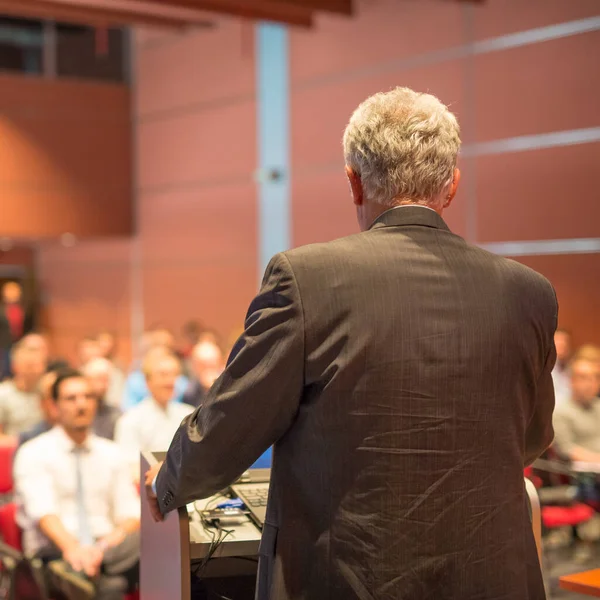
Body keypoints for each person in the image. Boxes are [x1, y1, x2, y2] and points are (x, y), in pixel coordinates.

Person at [145, 87, 557, 600]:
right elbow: (533, 435)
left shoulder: (306, 279)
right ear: (451, 187)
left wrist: (168, 482)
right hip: (494, 577)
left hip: (351, 578)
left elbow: (231, 425)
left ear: (354, 182)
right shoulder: (530, 293)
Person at [14, 369, 140, 600]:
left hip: (108, 549)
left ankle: (93, 571)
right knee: (112, 584)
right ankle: (95, 576)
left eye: (88, 397)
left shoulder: (112, 453)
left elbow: (130, 512)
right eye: (71, 398)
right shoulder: (33, 452)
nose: (81, 405)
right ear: (54, 406)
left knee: (150, 539)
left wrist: (103, 547)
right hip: (55, 552)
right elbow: (43, 513)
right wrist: (73, 549)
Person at [115, 351, 193, 481]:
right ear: (147, 381)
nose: (170, 381)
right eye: (163, 375)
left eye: (174, 375)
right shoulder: (131, 420)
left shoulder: (189, 415)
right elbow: (131, 470)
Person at [122, 329, 188, 410]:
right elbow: (128, 408)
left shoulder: (182, 382)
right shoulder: (135, 380)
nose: (161, 349)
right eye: (157, 345)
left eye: (167, 346)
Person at [553, 357, 600, 462]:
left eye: (595, 377)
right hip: (582, 474)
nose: (590, 383)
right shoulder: (561, 412)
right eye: (583, 377)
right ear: (571, 381)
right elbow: (566, 449)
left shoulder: (598, 406)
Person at [0, 343, 45, 438]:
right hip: (14, 447)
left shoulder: (47, 392)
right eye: (30, 366)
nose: (36, 370)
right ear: (14, 367)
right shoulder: (3, 394)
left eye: (39, 365)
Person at [0, 282, 34, 379]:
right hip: (4, 346)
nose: (12, 294)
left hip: (20, 344)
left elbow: (28, 327)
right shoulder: (1, 309)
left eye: (15, 291)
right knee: (5, 368)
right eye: (9, 291)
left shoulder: (24, 309)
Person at [82, 358, 122, 440]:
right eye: (99, 379)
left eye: (107, 380)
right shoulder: (78, 408)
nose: (104, 385)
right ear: (86, 379)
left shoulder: (114, 414)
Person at [18, 370, 58, 448]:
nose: (56, 403)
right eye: (52, 397)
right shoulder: (29, 438)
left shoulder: (86, 434)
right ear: (41, 403)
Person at [182, 340, 225, 408]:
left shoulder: (229, 386)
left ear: (220, 363)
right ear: (194, 367)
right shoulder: (189, 392)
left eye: (211, 364)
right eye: (202, 365)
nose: (207, 369)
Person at [552, 329, 572, 406]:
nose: (562, 347)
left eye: (565, 343)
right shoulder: (542, 371)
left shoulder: (573, 369)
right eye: (558, 343)